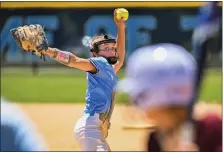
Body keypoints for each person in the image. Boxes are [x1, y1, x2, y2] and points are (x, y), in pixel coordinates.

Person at [118, 2, 221, 152]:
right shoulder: (155, 140)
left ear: (158, 95)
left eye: (139, 96)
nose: (135, 103)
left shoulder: (214, 129)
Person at [41, 9, 126, 151]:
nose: (111, 51)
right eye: (105, 48)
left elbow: (121, 59)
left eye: (112, 47)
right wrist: (49, 50)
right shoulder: (99, 62)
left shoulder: (109, 70)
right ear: (95, 53)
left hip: (95, 130)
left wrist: (120, 27)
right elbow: (74, 60)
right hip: (89, 129)